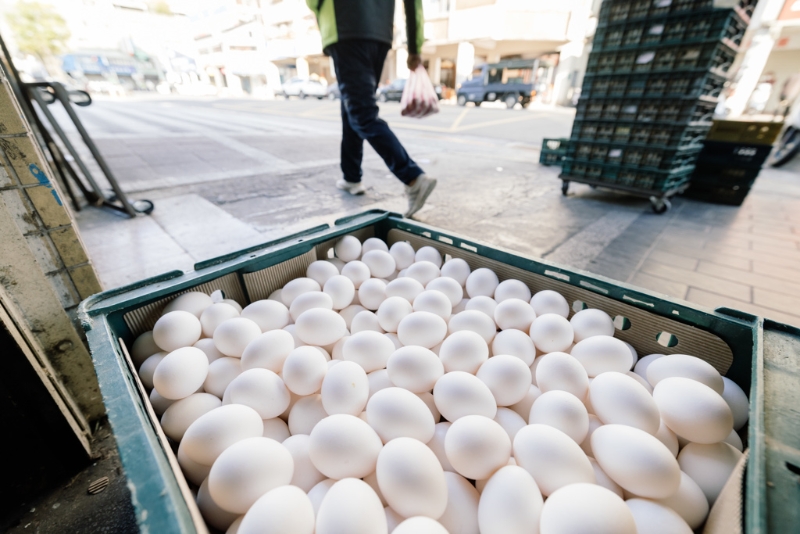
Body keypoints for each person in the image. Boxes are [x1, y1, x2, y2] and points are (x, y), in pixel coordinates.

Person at [306, 0, 437, 218]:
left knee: (361, 113)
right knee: (352, 107)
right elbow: (413, 4)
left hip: (345, 26)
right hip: (380, 33)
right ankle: (351, 177)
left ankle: (413, 178)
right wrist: (414, 47)